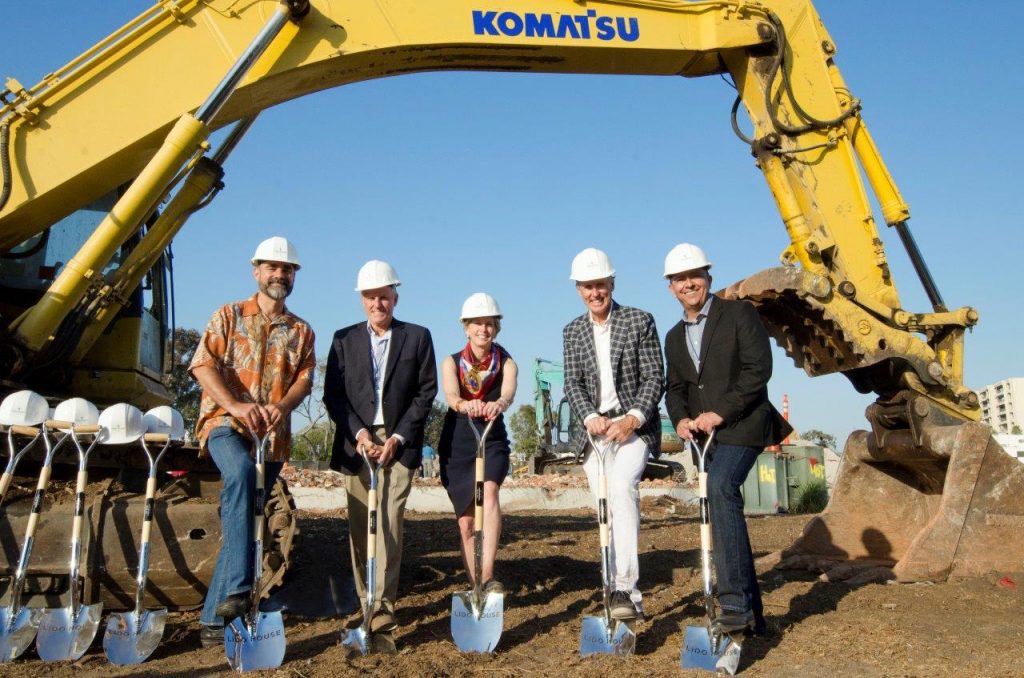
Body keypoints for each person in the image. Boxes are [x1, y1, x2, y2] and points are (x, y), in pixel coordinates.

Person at [189, 236, 315, 648]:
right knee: (241, 475)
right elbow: (202, 365)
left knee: (246, 515)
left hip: (272, 437)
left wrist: (282, 406)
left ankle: (212, 621)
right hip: (225, 423)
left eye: (287, 269)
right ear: (256, 271)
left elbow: (305, 380)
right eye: (272, 268)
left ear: (294, 276)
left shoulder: (301, 330)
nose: (280, 275)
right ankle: (243, 588)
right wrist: (235, 406)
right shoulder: (228, 315)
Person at [662, 243, 791, 636]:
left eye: (695, 276)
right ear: (671, 287)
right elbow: (676, 389)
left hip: (744, 425)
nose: (689, 284)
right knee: (723, 509)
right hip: (706, 437)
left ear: (708, 279)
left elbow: (758, 370)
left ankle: (732, 604)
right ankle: (754, 617)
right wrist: (681, 418)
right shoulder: (673, 336)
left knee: (720, 488)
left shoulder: (739, 314)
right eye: (680, 279)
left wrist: (721, 411)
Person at [323, 259, 437, 638]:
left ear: (395, 297)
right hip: (357, 441)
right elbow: (334, 396)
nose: (378, 304)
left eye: (384, 297)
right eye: (370, 297)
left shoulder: (417, 337)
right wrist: (358, 433)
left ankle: (384, 606)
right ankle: (365, 602)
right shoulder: (343, 340)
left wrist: (398, 437)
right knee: (360, 524)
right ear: (362, 300)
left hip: (397, 443)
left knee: (388, 521)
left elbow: (425, 392)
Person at [562, 248, 664, 621]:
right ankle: (614, 590)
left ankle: (626, 588)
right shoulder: (572, 331)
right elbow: (572, 383)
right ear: (579, 289)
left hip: (633, 428)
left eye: (600, 285)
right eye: (588, 287)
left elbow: (655, 376)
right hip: (594, 432)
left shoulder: (639, 321)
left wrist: (632, 419)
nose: (595, 293)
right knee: (603, 506)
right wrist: (589, 416)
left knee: (622, 488)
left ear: (612, 283)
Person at [438, 292, 517, 593]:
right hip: (459, 437)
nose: (483, 330)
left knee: (491, 491)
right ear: (466, 327)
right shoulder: (452, 362)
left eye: (489, 324)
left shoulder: (506, 363)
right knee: (467, 522)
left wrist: (499, 403)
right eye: (477, 324)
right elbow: (451, 394)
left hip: (491, 434)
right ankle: (475, 587)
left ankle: (487, 577)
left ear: (496, 327)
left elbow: (508, 392)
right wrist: (463, 404)